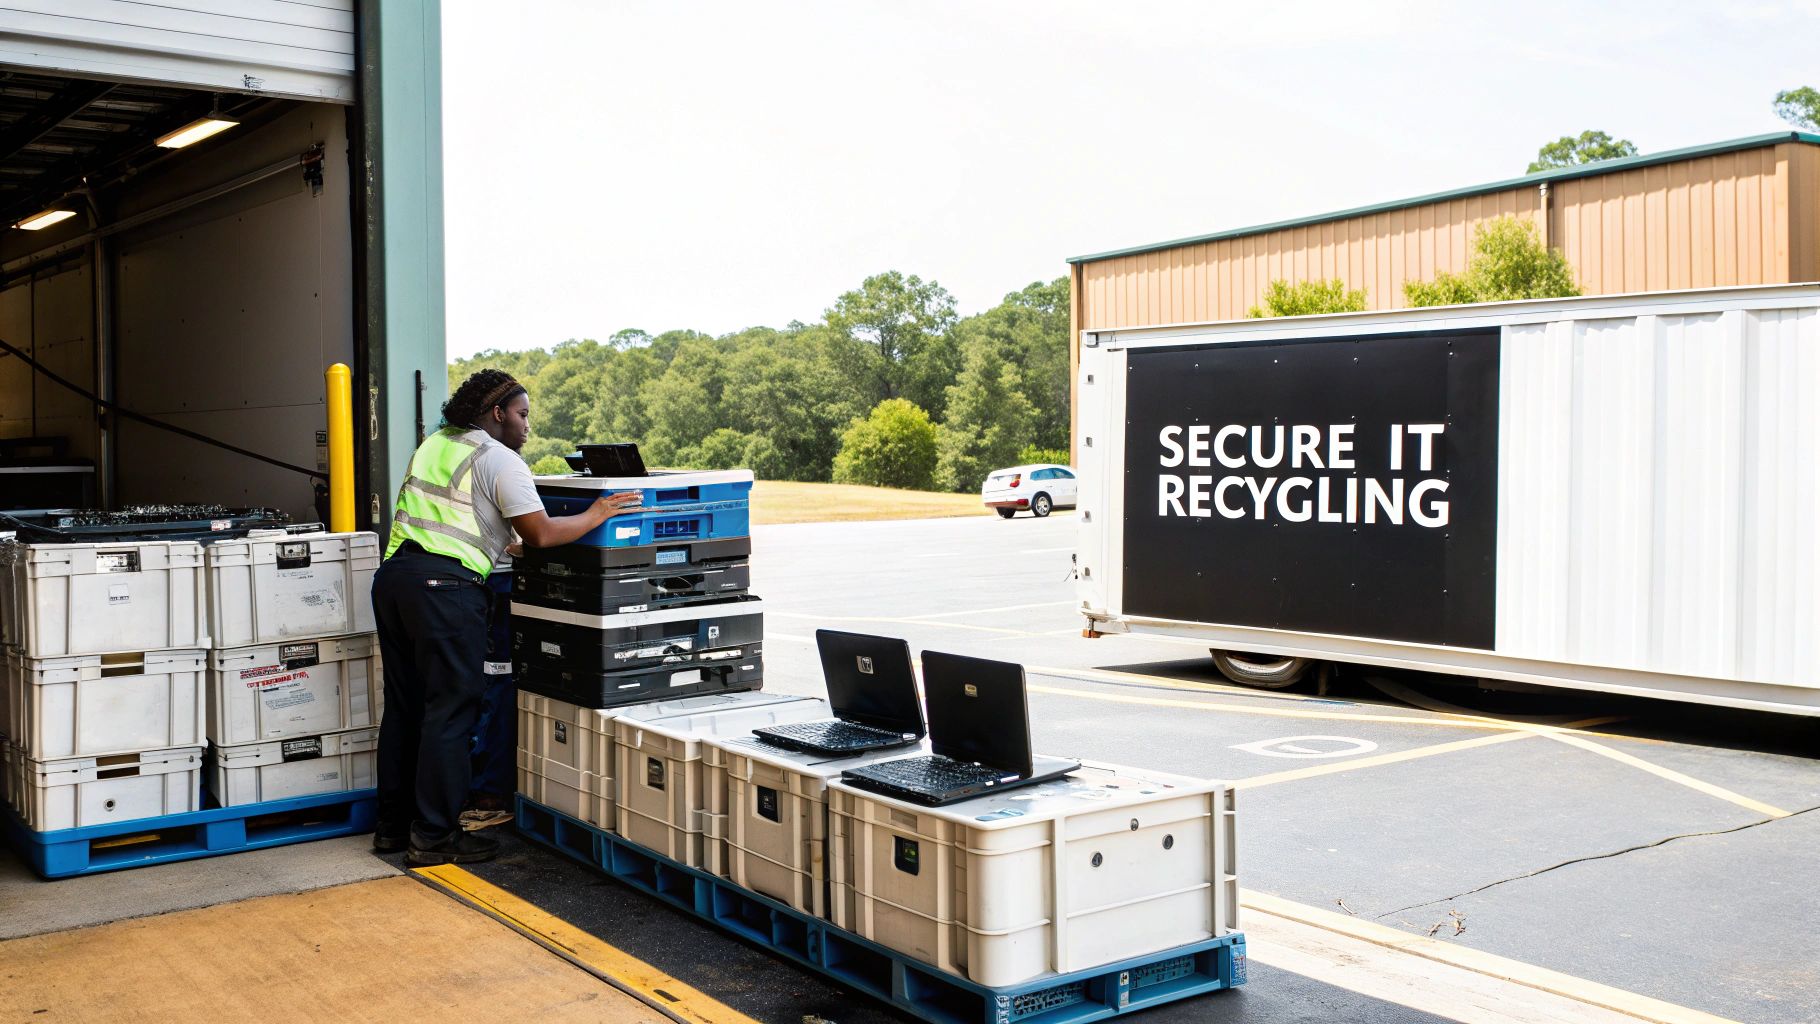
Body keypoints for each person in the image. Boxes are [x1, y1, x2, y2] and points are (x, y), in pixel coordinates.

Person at [371, 368, 639, 866]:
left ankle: (392, 826)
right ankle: (433, 836)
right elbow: (541, 534)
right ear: (497, 413)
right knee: (451, 712)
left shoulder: (437, 445)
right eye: (522, 414)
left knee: (406, 708)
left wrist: (498, 543)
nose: (527, 426)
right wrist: (597, 513)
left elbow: (454, 517)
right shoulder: (501, 459)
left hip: (395, 580)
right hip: (445, 591)